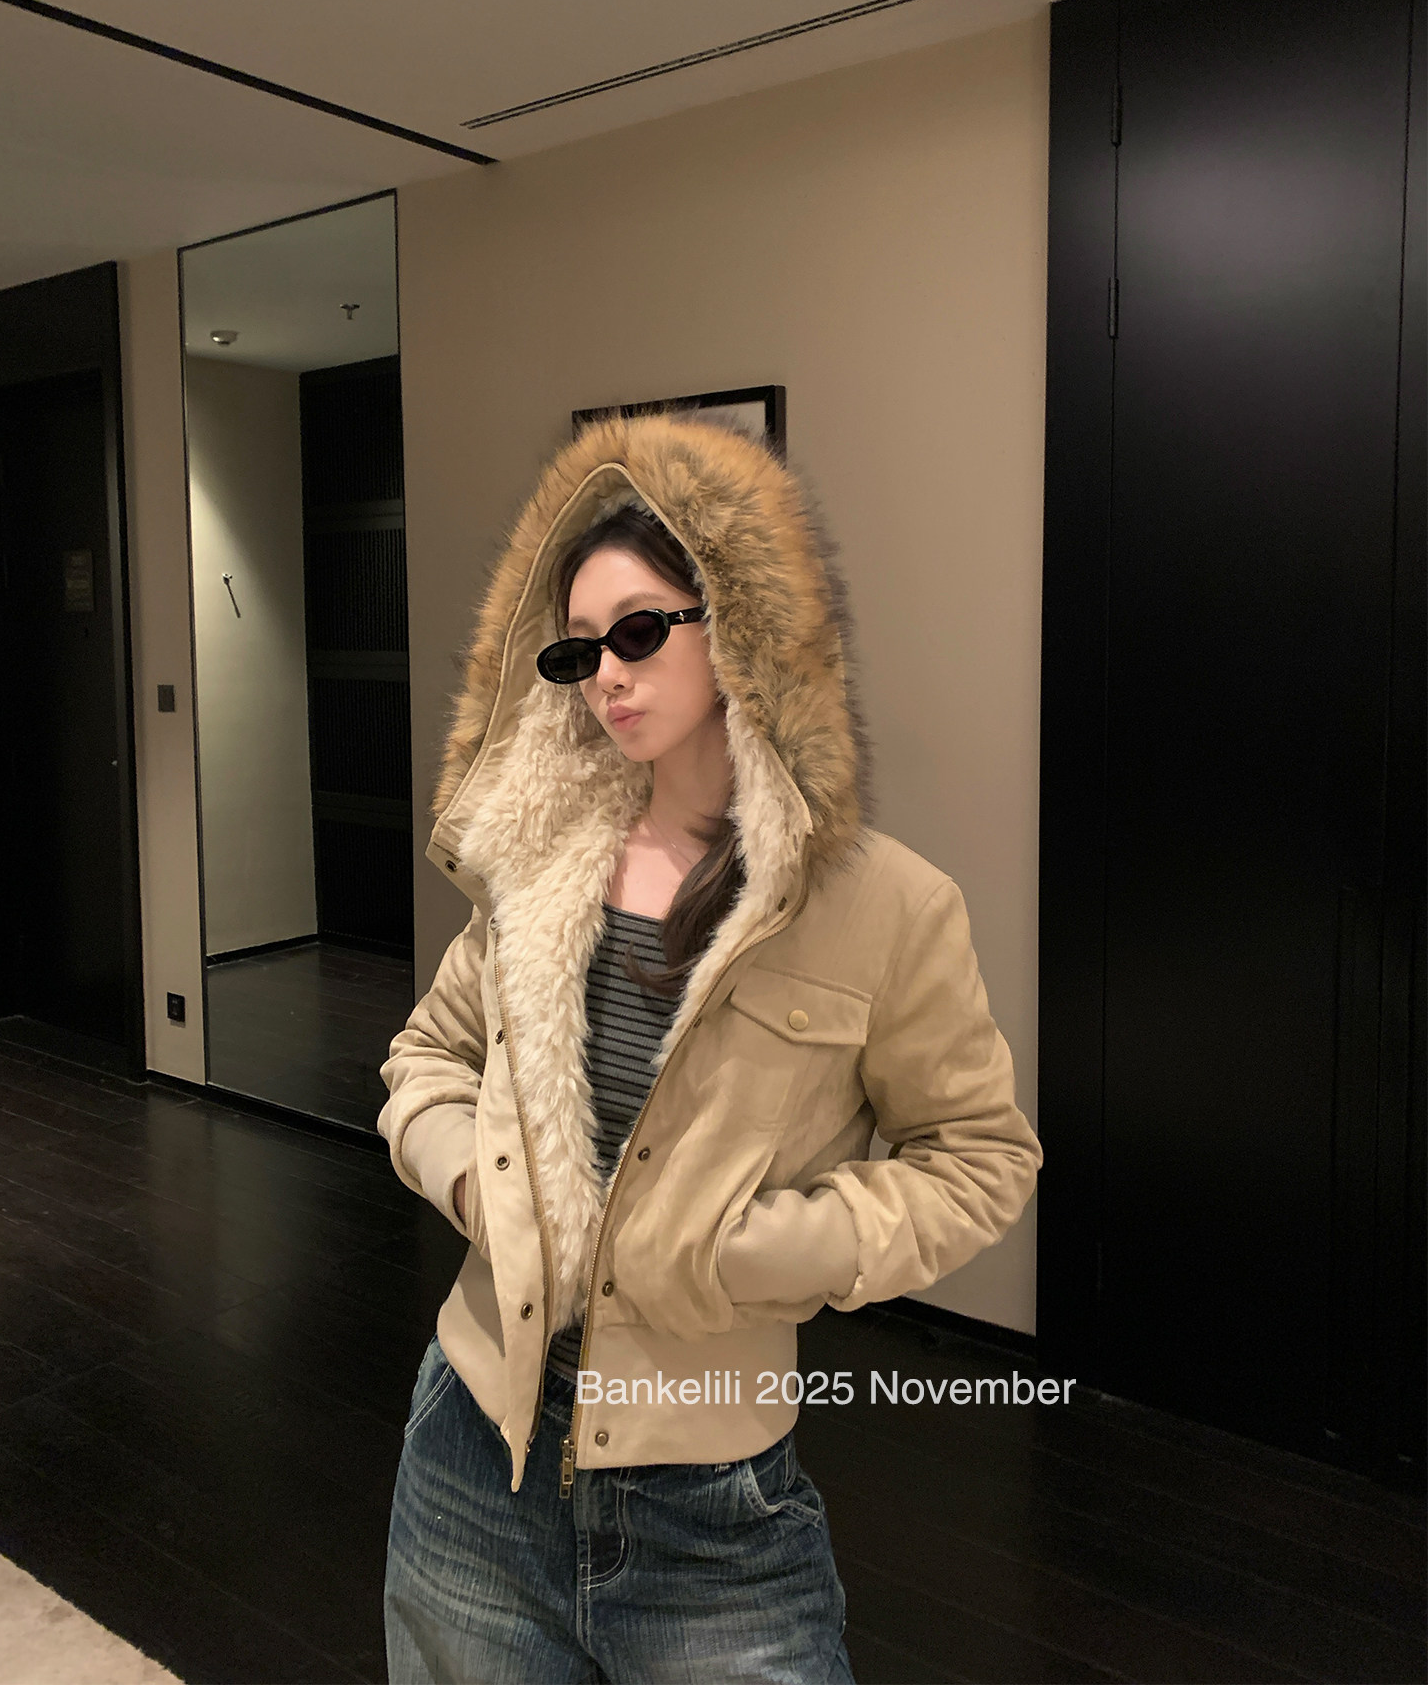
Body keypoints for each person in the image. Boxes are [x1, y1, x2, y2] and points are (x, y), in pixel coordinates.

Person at [378, 408, 1043, 1684]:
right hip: (472, 1453)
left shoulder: (887, 908)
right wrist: (477, 1186)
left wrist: (761, 1250)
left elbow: (980, 1160)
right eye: (580, 650)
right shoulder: (537, 865)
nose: (608, 675)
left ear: (735, 629)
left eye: (638, 632)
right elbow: (426, 1060)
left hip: (712, 1503)